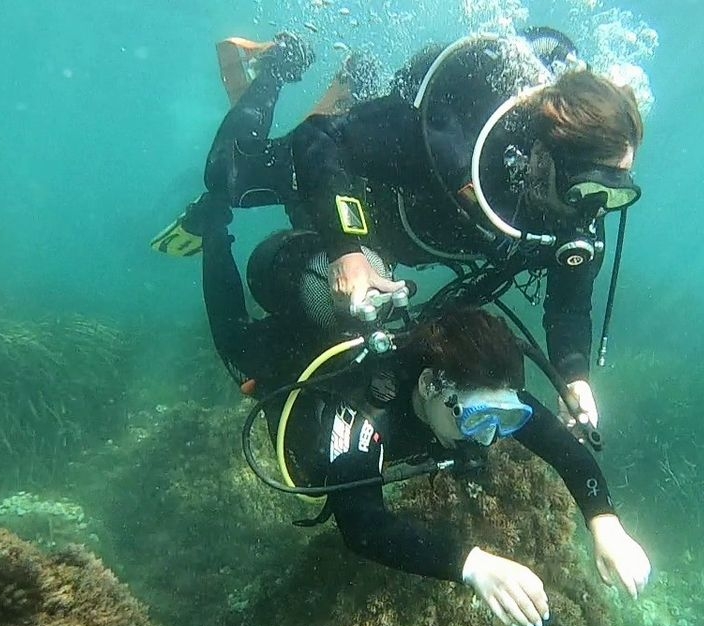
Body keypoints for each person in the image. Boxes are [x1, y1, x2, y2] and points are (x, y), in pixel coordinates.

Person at [152, 27, 646, 434]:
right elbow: (320, 137)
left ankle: (356, 79)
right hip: (354, 184)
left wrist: (575, 377)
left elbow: (568, 305)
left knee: (346, 304)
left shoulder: (576, 217)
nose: (593, 211)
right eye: (587, 189)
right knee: (228, 178)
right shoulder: (454, 145)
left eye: (615, 193)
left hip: (394, 237)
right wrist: (346, 248)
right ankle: (279, 65)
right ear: (544, 158)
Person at [222, 288, 652, 626]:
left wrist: (605, 524)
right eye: (480, 418)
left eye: (506, 419)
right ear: (430, 386)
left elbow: (565, 449)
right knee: (236, 347)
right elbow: (363, 527)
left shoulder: (486, 387)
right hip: (287, 362)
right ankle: (214, 225)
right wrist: (471, 564)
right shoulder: (364, 416)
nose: (488, 439)